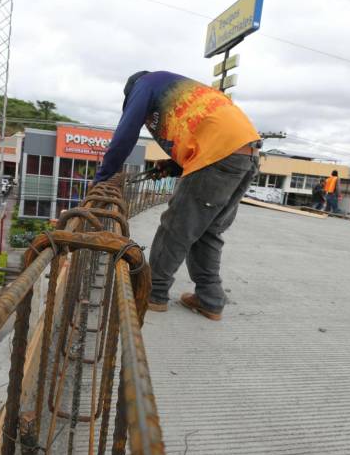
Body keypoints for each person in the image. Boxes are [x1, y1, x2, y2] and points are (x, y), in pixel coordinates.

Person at [94, 70, 261, 321]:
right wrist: (175, 165)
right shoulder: (175, 87)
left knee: (175, 228)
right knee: (208, 231)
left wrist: (101, 180)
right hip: (247, 155)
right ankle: (210, 299)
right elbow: (206, 131)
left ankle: (153, 293)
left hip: (219, 155)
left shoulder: (145, 84)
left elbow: (124, 136)